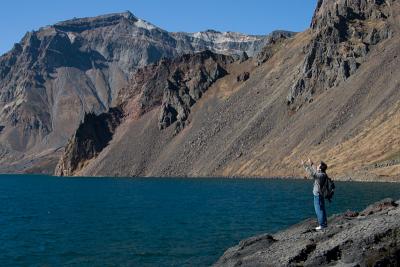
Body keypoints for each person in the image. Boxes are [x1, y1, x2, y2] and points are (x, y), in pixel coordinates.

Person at [301, 158, 328, 230]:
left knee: (319, 210)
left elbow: (312, 173)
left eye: (319, 165)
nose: (318, 166)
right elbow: (315, 170)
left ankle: (322, 225)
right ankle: (324, 223)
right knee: (322, 209)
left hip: (318, 195)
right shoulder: (323, 174)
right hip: (320, 194)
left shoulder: (320, 175)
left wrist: (305, 165)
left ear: (320, 168)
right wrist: (311, 164)